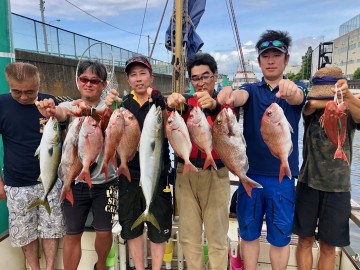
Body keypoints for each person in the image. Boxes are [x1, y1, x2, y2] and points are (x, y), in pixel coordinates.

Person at [217, 30, 308, 269]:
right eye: (265, 56)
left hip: (283, 178)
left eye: (276, 55)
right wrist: (228, 94)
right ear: (258, 61)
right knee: (248, 234)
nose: (270, 60)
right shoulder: (252, 89)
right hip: (251, 174)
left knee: (279, 237)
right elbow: (239, 96)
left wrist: (292, 91)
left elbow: (299, 97)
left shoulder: (294, 87)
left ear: (286, 59)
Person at [35, 60, 118, 270]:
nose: (89, 84)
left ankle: (101, 266)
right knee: (72, 232)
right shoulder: (68, 107)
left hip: (106, 181)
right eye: (84, 79)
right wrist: (51, 112)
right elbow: (61, 114)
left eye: (94, 80)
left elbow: (109, 119)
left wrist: (96, 111)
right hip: (73, 182)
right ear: (77, 81)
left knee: (104, 231)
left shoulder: (111, 108)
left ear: (103, 84)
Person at [105, 56, 173, 270]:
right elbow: (110, 132)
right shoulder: (123, 105)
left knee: (158, 228)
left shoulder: (161, 103)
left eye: (142, 73)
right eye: (133, 75)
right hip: (129, 175)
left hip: (158, 174)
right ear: (128, 80)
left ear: (151, 77)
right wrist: (108, 109)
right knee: (132, 227)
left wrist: (164, 103)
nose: (138, 78)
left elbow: (174, 123)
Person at [166, 53, 230, 270]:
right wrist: (171, 103)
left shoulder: (225, 104)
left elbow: (229, 125)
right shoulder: (185, 105)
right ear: (190, 81)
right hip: (186, 173)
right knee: (189, 237)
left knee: (217, 238)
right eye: (195, 78)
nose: (201, 82)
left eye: (206, 76)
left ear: (215, 76)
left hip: (217, 174)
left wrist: (214, 105)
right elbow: (173, 120)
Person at [293, 67, 360, 270]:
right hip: (308, 183)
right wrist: (339, 99)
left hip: (338, 188)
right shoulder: (310, 111)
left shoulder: (349, 111)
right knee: (304, 240)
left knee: (328, 247)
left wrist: (347, 95)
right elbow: (311, 103)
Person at [0, 62, 65, 270]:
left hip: (51, 181)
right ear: (8, 85)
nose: (24, 96)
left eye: (30, 91)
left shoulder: (50, 102)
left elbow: (64, 133)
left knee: (52, 229)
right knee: (24, 232)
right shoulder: (1, 104)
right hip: (16, 183)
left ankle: (49, 268)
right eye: (16, 91)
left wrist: (53, 113)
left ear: (39, 84)